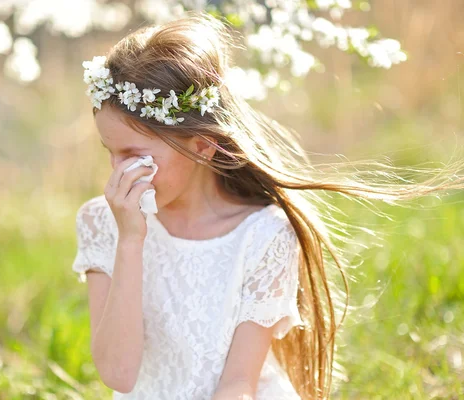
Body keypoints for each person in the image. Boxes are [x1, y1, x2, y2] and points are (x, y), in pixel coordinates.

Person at [71, 12, 462, 400]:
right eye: (111, 152)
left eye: (133, 155)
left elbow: (238, 385)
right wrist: (130, 241)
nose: (118, 172)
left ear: (203, 148)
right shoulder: (102, 223)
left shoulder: (263, 235)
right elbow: (118, 375)